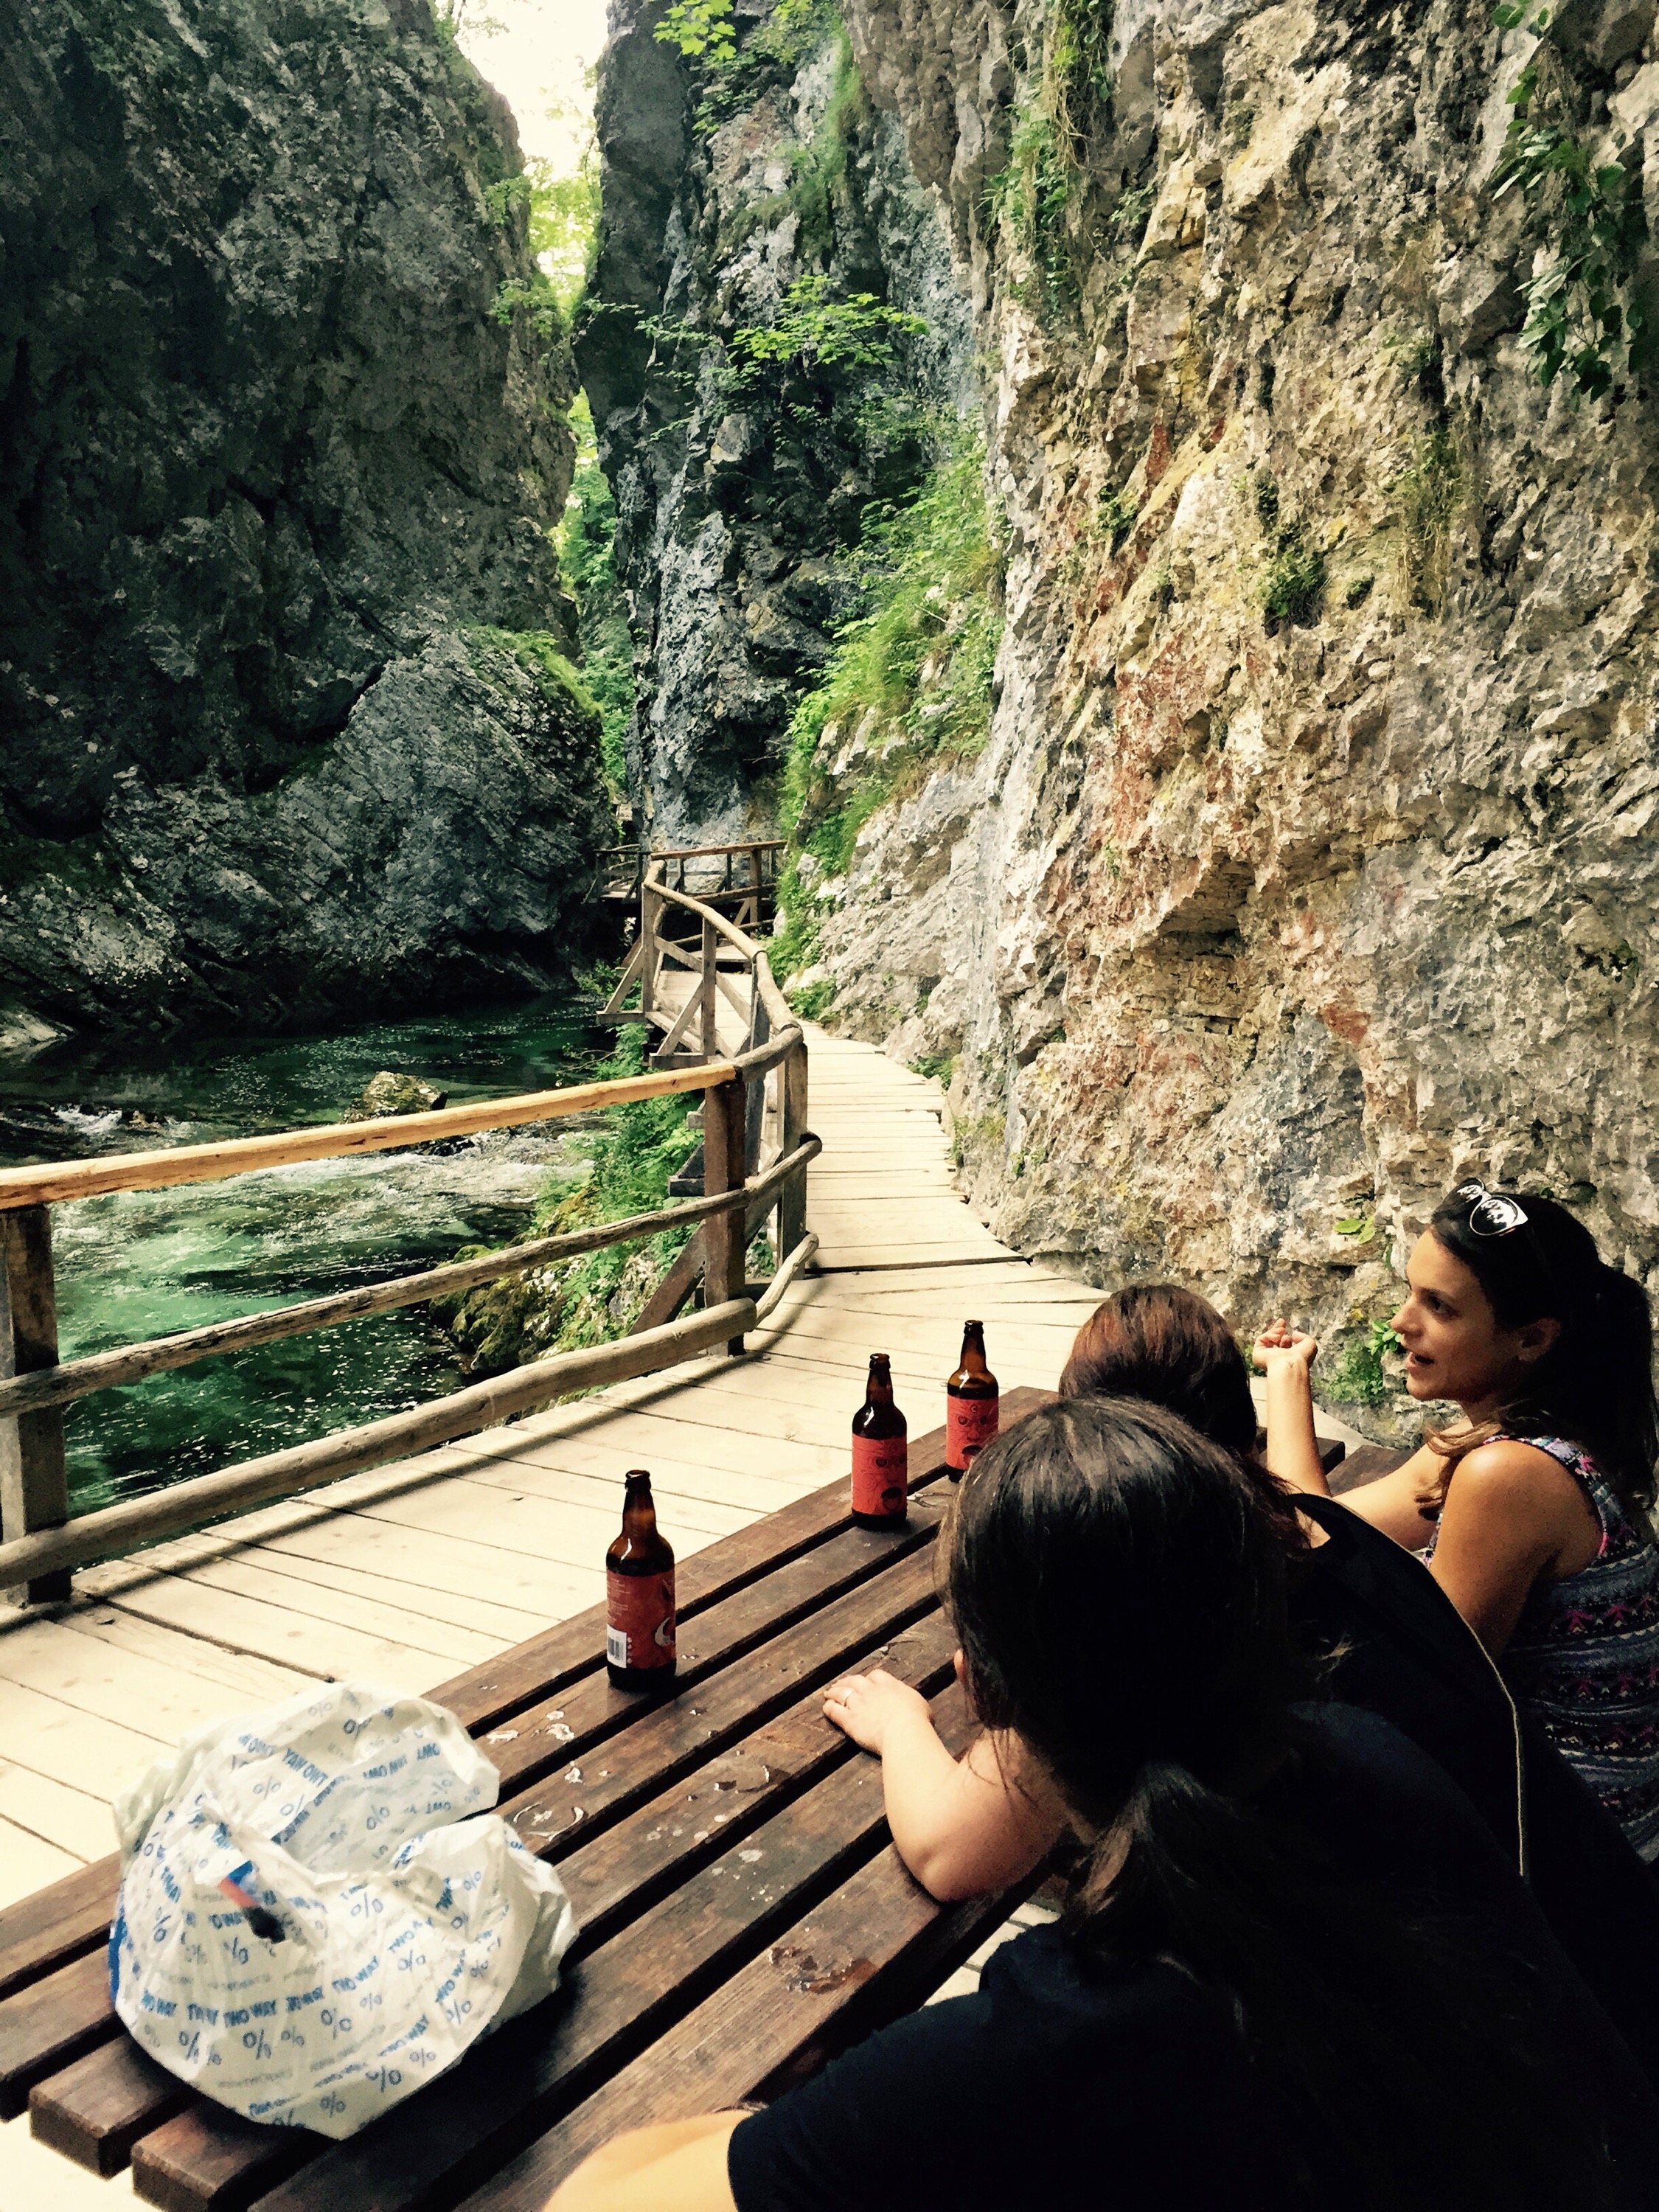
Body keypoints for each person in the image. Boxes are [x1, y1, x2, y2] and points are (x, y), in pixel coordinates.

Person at [548, 1402, 1659, 2212]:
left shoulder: (1087, 2026)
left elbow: (595, 2199)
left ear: (982, 1694)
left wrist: (799, 2133)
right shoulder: (1363, 1763)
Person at [824, 1281, 1659, 2087]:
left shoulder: (1148, 1606)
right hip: (1572, 1981)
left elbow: (951, 1852)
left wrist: (901, 1720)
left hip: (1468, 2047)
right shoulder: (1312, 1541)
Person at [1255, 1180, 1659, 1863]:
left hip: (1569, 1868)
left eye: (1438, 1306)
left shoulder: (1508, 1477)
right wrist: (1290, 1378)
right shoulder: (1507, 1440)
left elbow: (1429, 1704)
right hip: (1558, 1821)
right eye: (1412, 1292)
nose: (1401, 1323)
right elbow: (1312, 1528)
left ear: (1531, 1338)